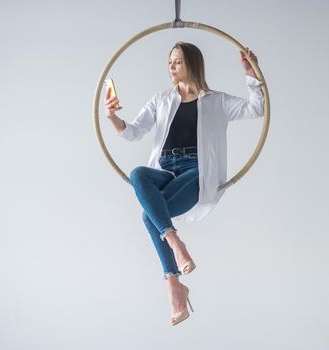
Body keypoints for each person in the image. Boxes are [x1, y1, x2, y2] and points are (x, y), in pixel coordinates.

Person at [105, 42, 264, 326]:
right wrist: (112, 117)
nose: (171, 67)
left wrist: (251, 75)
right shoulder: (161, 100)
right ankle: (175, 244)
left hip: (198, 171)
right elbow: (133, 133)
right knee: (139, 174)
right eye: (169, 62)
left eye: (177, 61)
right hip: (167, 170)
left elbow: (257, 108)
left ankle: (173, 285)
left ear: (192, 63)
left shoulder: (216, 101)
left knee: (147, 215)